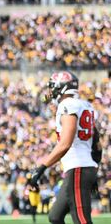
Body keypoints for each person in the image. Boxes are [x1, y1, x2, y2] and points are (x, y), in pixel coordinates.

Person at [29, 71, 101, 224]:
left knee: (82, 220)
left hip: (78, 169)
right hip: (83, 168)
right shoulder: (85, 105)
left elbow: (65, 144)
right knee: (55, 216)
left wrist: (41, 168)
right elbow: (97, 145)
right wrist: (93, 171)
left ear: (61, 87)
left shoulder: (67, 104)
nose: (51, 92)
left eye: (53, 87)